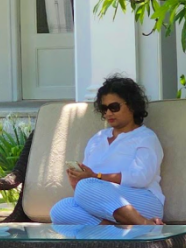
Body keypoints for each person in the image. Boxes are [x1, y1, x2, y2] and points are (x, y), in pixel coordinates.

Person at [50, 75, 165, 226]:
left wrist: (95, 177)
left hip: (143, 200)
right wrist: (77, 183)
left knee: (86, 187)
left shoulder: (146, 137)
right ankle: (120, 228)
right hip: (104, 202)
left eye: (114, 107)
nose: (108, 113)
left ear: (131, 105)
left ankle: (144, 223)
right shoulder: (97, 139)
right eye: (104, 109)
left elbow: (141, 178)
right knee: (60, 209)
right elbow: (90, 186)